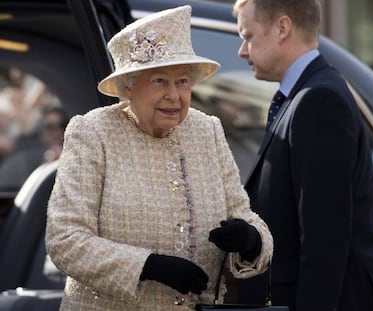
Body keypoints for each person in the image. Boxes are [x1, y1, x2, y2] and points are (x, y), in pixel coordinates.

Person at [45, 5, 273, 311]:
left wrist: (251, 240)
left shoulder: (207, 131)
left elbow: (243, 214)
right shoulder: (93, 133)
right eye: (159, 81)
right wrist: (149, 266)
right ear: (129, 87)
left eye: (182, 81)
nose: (175, 96)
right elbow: (65, 239)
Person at [232, 1, 373, 311]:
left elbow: (324, 239)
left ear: (282, 28)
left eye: (248, 36)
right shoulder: (302, 94)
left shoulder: (318, 100)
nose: (242, 51)